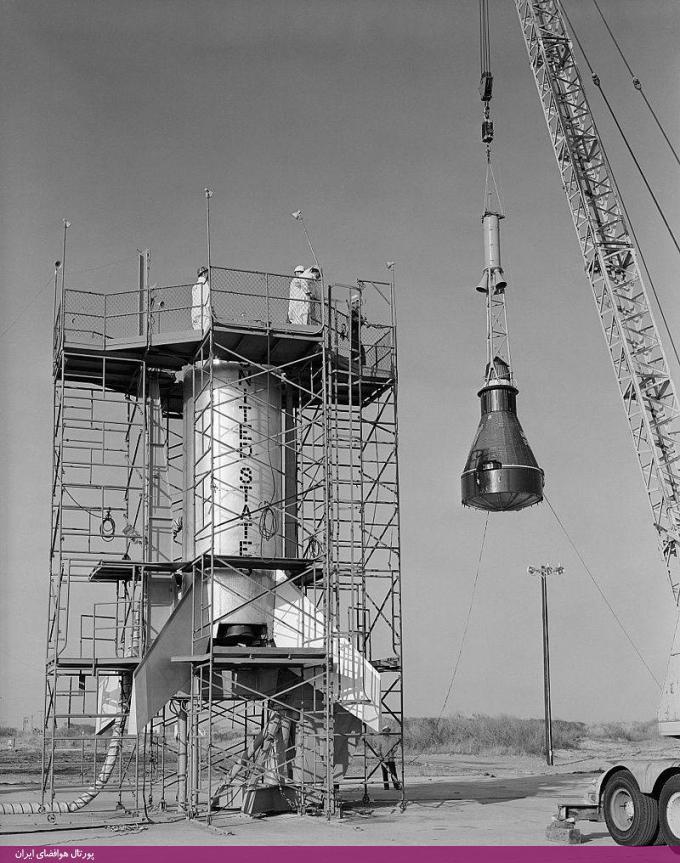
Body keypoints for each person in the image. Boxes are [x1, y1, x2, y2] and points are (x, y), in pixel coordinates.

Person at [376, 725, 401, 791]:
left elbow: (396, 747)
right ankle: (386, 786)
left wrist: (393, 751)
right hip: (383, 759)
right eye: (386, 730)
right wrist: (380, 756)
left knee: (393, 772)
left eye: (388, 730)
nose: (387, 732)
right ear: (383, 731)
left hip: (391, 758)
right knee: (385, 773)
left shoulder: (392, 739)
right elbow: (378, 749)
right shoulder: (380, 740)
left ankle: (396, 786)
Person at [191, 266, 210, 331]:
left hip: (194, 314)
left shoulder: (195, 286)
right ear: (204, 274)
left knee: (198, 335)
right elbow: (206, 300)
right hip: (204, 313)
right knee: (206, 334)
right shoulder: (205, 283)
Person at [349, 293, 366, 365]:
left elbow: (360, 321)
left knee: (357, 349)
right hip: (353, 334)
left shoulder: (357, 313)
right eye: (358, 302)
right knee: (357, 350)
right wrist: (362, 320)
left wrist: (364, 322)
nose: (359, 304)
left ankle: (356, 363)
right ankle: (357, 364)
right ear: (354, 303)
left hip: (355, 335)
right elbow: (355, 319)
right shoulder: (352, 312)